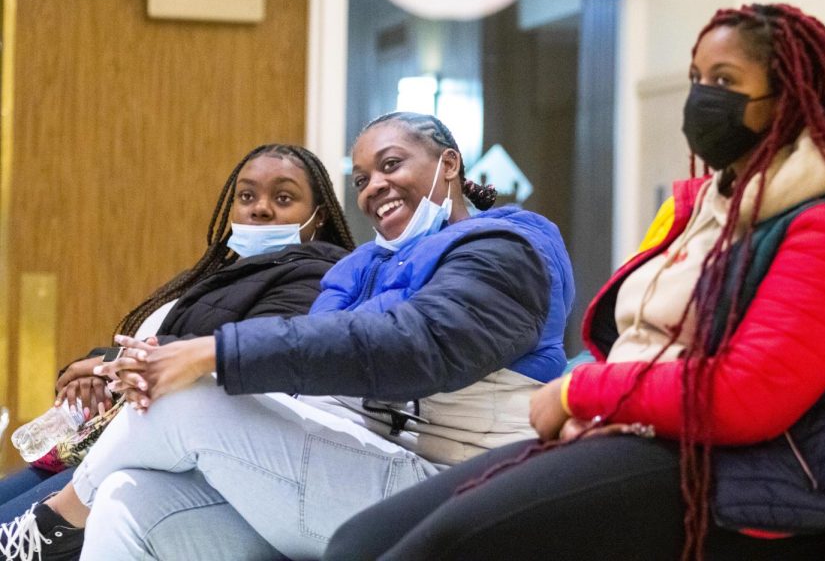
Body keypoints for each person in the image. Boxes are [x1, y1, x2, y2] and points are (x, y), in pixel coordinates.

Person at [324, 4, 825, 561]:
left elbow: (745, 398)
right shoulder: (702, 207)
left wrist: (580, 392)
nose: (702, 95)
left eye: (724, 79)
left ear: (791, 99)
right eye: (697, 77)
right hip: (639, 436)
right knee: (358, 542)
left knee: (434, 548)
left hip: (743, 481)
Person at [0, 112, 575, 560]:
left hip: (453, 492)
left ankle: (49, 525)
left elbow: (416, 346)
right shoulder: (364, 266)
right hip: (363, 465)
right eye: (363, 178)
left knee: (191, 400)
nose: (375, 185)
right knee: (128, 495)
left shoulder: (507, 249)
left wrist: (211, 356)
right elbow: (316, 376)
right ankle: (59, 523)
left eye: (392, 165)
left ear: (449, 163)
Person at [0, 143, 354, 549]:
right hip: (102, 441)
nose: (260, 209)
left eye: (283, 198)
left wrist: (115, 364)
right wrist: (90, 376)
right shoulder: (217, 274)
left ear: (319, 215)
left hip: (170, 466)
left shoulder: (316, 279)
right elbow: (137, 341)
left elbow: (244, 352)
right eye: (246, 196)